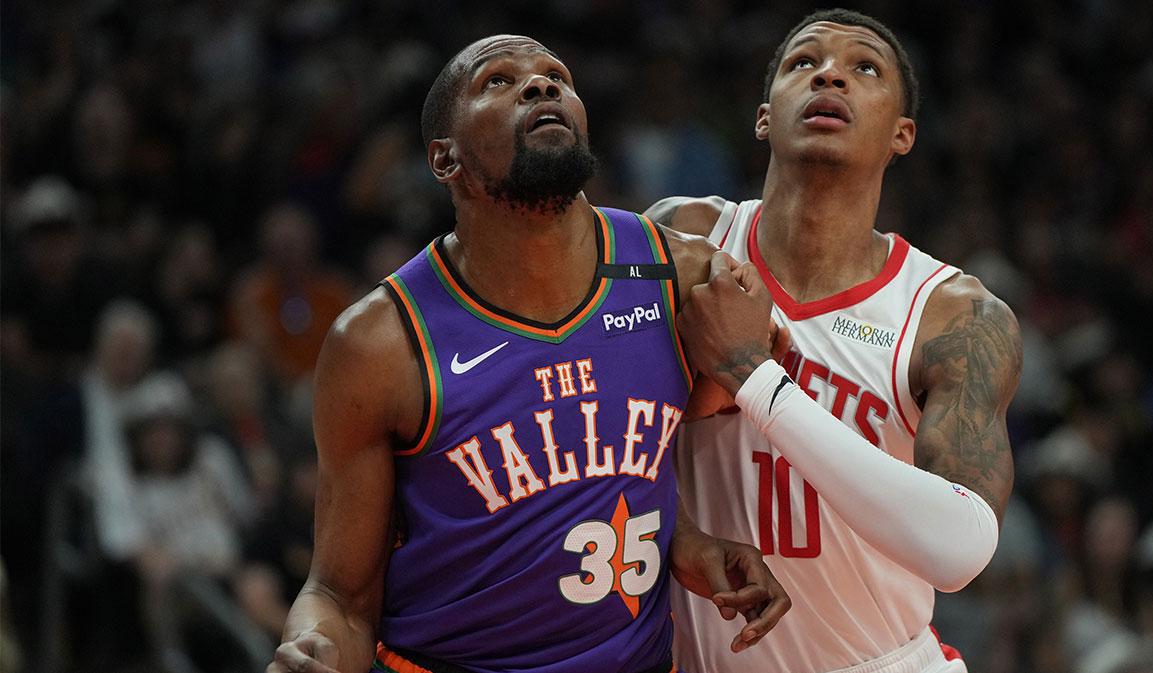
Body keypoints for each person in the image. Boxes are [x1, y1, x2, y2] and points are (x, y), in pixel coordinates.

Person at [268, 35, 789, 673]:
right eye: (498, 81)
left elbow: (645, 462)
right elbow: (340, 597)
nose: (541, 86)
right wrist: (314, 649)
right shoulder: (380, 343)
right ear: (445, 158)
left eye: (556, 77)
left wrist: (686, 539)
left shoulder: (682, 277)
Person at [646, 9, 1023, 673]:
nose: (829, 75)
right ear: (765, 118)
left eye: (864, 68)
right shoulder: (684, 240)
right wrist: (681, 535)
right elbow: (604, 435)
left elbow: (960, 551)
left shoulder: (954, 316)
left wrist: (755, 378)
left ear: (901, 134)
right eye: (804, 62)